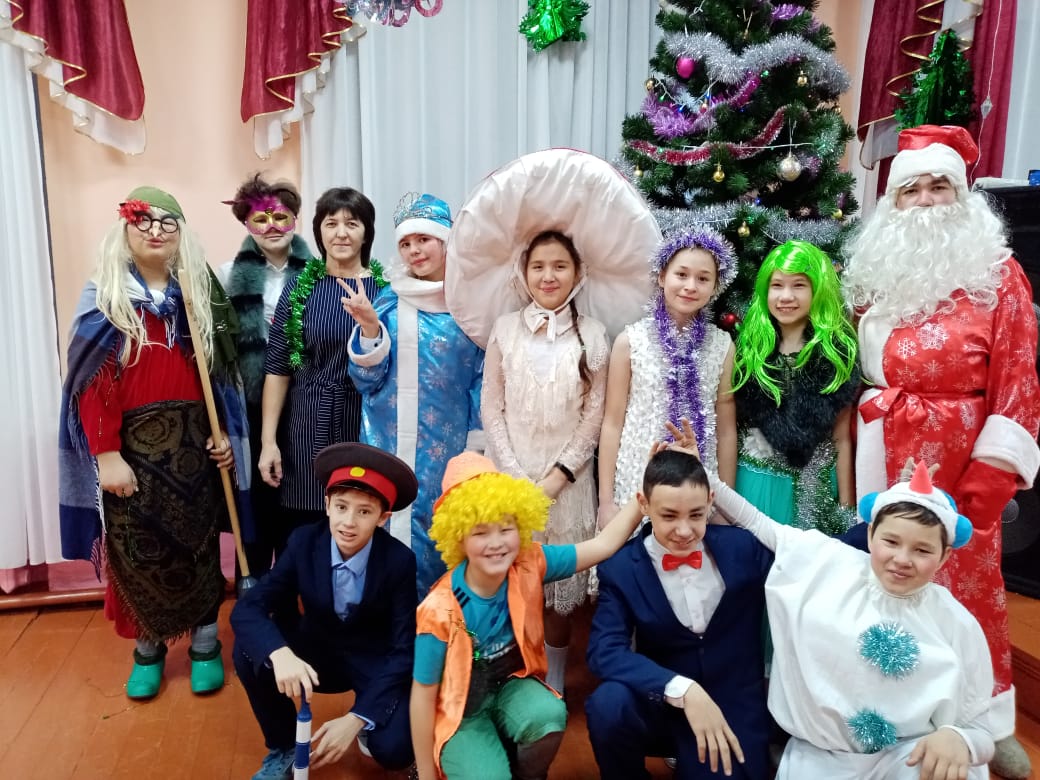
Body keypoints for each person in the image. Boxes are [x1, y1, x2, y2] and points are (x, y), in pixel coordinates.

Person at [843, 123, 1040, 779]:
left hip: (960, 466)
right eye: (912, 189)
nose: (926, 200)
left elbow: (1018, 385)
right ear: (893, 200)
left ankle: (983, 720)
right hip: (881, 449)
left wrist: (987, 486)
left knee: (969, 587)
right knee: (884, 577)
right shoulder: (873, 274)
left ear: (963, 196)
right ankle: (889, 708)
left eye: (939, 186)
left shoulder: (1000, 277)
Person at [58, 186, 248, 699]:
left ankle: (206, 644)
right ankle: (148, 649)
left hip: (193, 452)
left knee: (199, 547)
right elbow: (93, 386)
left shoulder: (198, 299)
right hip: (132, 457)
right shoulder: (106, 300)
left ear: (181, 234)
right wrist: (107, 455)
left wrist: (222, 437)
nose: (156, 230)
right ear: (125, 229)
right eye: (144, 220)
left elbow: (217, 382)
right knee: (139, 554)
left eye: (168, 222)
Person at [710, 449, 996, 780]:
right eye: (891, 541)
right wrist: (705, 476)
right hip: (820, 756)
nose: (902, 560)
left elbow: (980, 729)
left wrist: (959, 739)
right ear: (871, 534)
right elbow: (756, 522)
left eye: (922, 550)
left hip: (907, 756)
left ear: (944, 556)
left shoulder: (955, 622)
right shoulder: (829, 563)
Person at [409, 451, 647, 780]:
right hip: (462, 713)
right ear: (458, 537)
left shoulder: (529, 563)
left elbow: (602, 546)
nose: (496, 543)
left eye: (505, 529)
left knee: (548, 715)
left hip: (512, 688)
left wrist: (643, 495)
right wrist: (425, 773)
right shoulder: (438, 610)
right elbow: (422, 696)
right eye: (480, 533)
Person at [231, 442, 419, 780]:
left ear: (383, 518)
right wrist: (279, 653)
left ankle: (368, 726)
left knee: (395, 750)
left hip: (370, 660)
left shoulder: (399, 561)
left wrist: (358, 717)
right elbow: (249, 607)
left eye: (364, 512)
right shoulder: (304, 541)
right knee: (248, 648)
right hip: (315, 654)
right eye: (342, 507)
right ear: (327, 504)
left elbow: (404, 650)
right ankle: (284, 746)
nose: (349, 522)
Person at [585, 445, 773, 780]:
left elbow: (809, 555)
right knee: (608, 704)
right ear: (643, 504)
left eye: (696, 515)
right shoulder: (622, 567)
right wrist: (680, 688)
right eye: (669, 516)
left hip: (733, 707)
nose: (684, 531)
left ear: (711, 502)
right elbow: (604, 651)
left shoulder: (743, 548)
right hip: (662, 702)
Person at [481, 229, 609, 696]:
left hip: (569, 485)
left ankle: (553, 676)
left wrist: (558, 477)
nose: (548, 276)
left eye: (559, 266)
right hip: (510, 477)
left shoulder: (593, 334)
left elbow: (595, 416)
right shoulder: (504, 329)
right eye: (538, 266)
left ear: (577, 273)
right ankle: (507, 671)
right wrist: (516, 477)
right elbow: (490, 406)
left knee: (558, 589)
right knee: (509, 574)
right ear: (524, 273)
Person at [347, 193, 484, 595]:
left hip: (448, 447)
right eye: (406, 243)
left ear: (445, 242)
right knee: (388, 527)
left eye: (423, 239)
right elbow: (366, 381)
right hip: (388, 442)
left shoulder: (470, 306)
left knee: (443, 531)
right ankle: (390, 623)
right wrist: (370, 329)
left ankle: (441, 622)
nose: (414, 250)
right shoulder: (389, 301)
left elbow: (483, 379)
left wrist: (476, 445)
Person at [258, 187, 384, 555]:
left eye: (352, 223)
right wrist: (268, 442)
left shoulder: (384, 292)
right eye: (331, 224)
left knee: (357, 518)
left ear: (366, 233)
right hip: (305, 422)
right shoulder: (300, 289)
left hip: (363, 423)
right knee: (303, 531)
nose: (341, 233)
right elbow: (278, 368)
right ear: (318, 232)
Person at [599, 227, 738, 525]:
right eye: (681, 274)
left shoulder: (722, 345)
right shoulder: (630, 342)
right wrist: (606, 501)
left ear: (715, 287)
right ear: (662, 276)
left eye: (703, 279)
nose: (690, 286)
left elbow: (726, 430)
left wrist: (726, 502)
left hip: (699, 482)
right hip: (636, 477)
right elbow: (612, 423)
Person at [218, 173, 311, 578]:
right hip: (250, 407)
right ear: (246, 223)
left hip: (306, 407)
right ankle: (253, 591)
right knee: (255, 508)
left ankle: (294, 592)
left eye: (281, 216)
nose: (272, 226)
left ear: (295, 219)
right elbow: (216, 355)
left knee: (299, 504)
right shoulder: (226, 277)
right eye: (260, 218)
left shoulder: (319, 275)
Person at [731, 240, 860, 534]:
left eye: (799, 285)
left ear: (818, 289)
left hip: (814, 488)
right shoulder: (748, 352)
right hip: (755, 483)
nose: (786, 296)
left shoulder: (838, 357)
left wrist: (846, 511)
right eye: (777, 285)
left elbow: (841, 439)